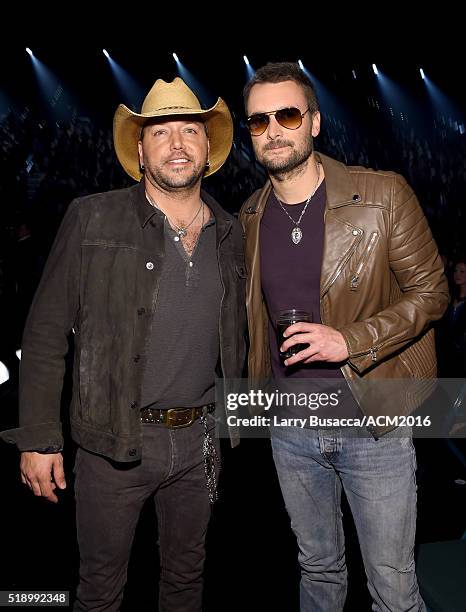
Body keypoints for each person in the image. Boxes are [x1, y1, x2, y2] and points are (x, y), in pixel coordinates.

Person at [0, 77, 246, 612]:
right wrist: (38, 438)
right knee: (100, 591)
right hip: (112, 443)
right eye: (161, 132)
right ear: (139, 149)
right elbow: (43, 333)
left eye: (190, 130)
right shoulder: (92, 217)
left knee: (186, 582)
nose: (177, 143)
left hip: (200, 441)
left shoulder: (232, 234)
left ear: (209, 149)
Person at [239, 62, 448, 612]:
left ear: (313, 122)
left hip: (371, 424)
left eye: (286, 114)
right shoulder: (248, 219)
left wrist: (350, 340)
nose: (273, 130)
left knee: (393, 587)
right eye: (259, 121)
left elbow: (432, 293)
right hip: (289, 429)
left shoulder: (382, 195)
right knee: (319, 573)